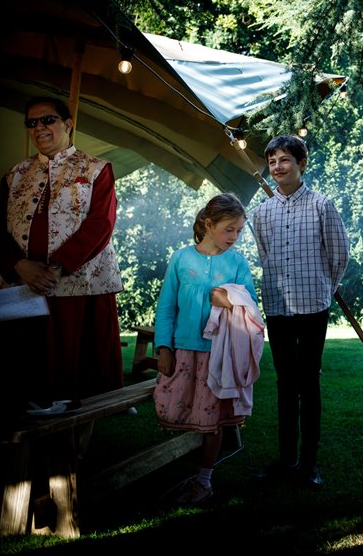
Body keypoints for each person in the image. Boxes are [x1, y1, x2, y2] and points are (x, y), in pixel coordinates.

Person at [0, 96, 123, 404]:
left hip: (78, 287)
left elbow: (101, 223)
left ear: (68, 124)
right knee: (21, 382)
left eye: (47, 120)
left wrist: (56, 268)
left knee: (76, 381)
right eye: (32, 123)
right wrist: (19, 265)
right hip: (20, 286)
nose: (39, 128)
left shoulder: (96, 169)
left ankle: (74, 446)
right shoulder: (15, 174)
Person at [251, 135, 349, 488]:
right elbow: (265, 256)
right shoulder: (261, 212)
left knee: (308, 383)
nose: (278, 167)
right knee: (285, 383)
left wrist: (325, 287)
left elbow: (339, 255)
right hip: (277, 306)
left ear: (301, 164)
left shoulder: (322, 205)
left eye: (285, 160)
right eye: (273, 161)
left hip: (312, 306)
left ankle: (309, 464)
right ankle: (286, 460)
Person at [154, 193, 259, 504]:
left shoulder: (237, 262)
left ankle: (203, 479)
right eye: (229, 229)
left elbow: (250, 306)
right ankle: (174, 468)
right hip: (184, 350)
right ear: (208, 224)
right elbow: (166, 307)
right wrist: (164, 346)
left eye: (239, 231)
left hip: (220, 353)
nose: (235, 237)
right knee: (174, 406)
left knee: (211, 419)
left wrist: (227, 301)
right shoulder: (181, 259)